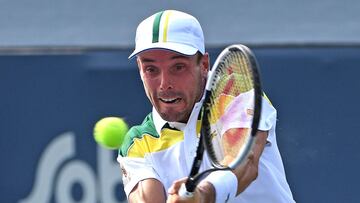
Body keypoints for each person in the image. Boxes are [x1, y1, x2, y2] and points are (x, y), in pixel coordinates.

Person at [117, 9, 295, 203]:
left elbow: (245, 163)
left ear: (203, 65)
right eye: (151, 69)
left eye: (178, 67)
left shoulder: (235, 92)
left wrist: (205, 194)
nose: (164, 84)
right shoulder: (138, 143)